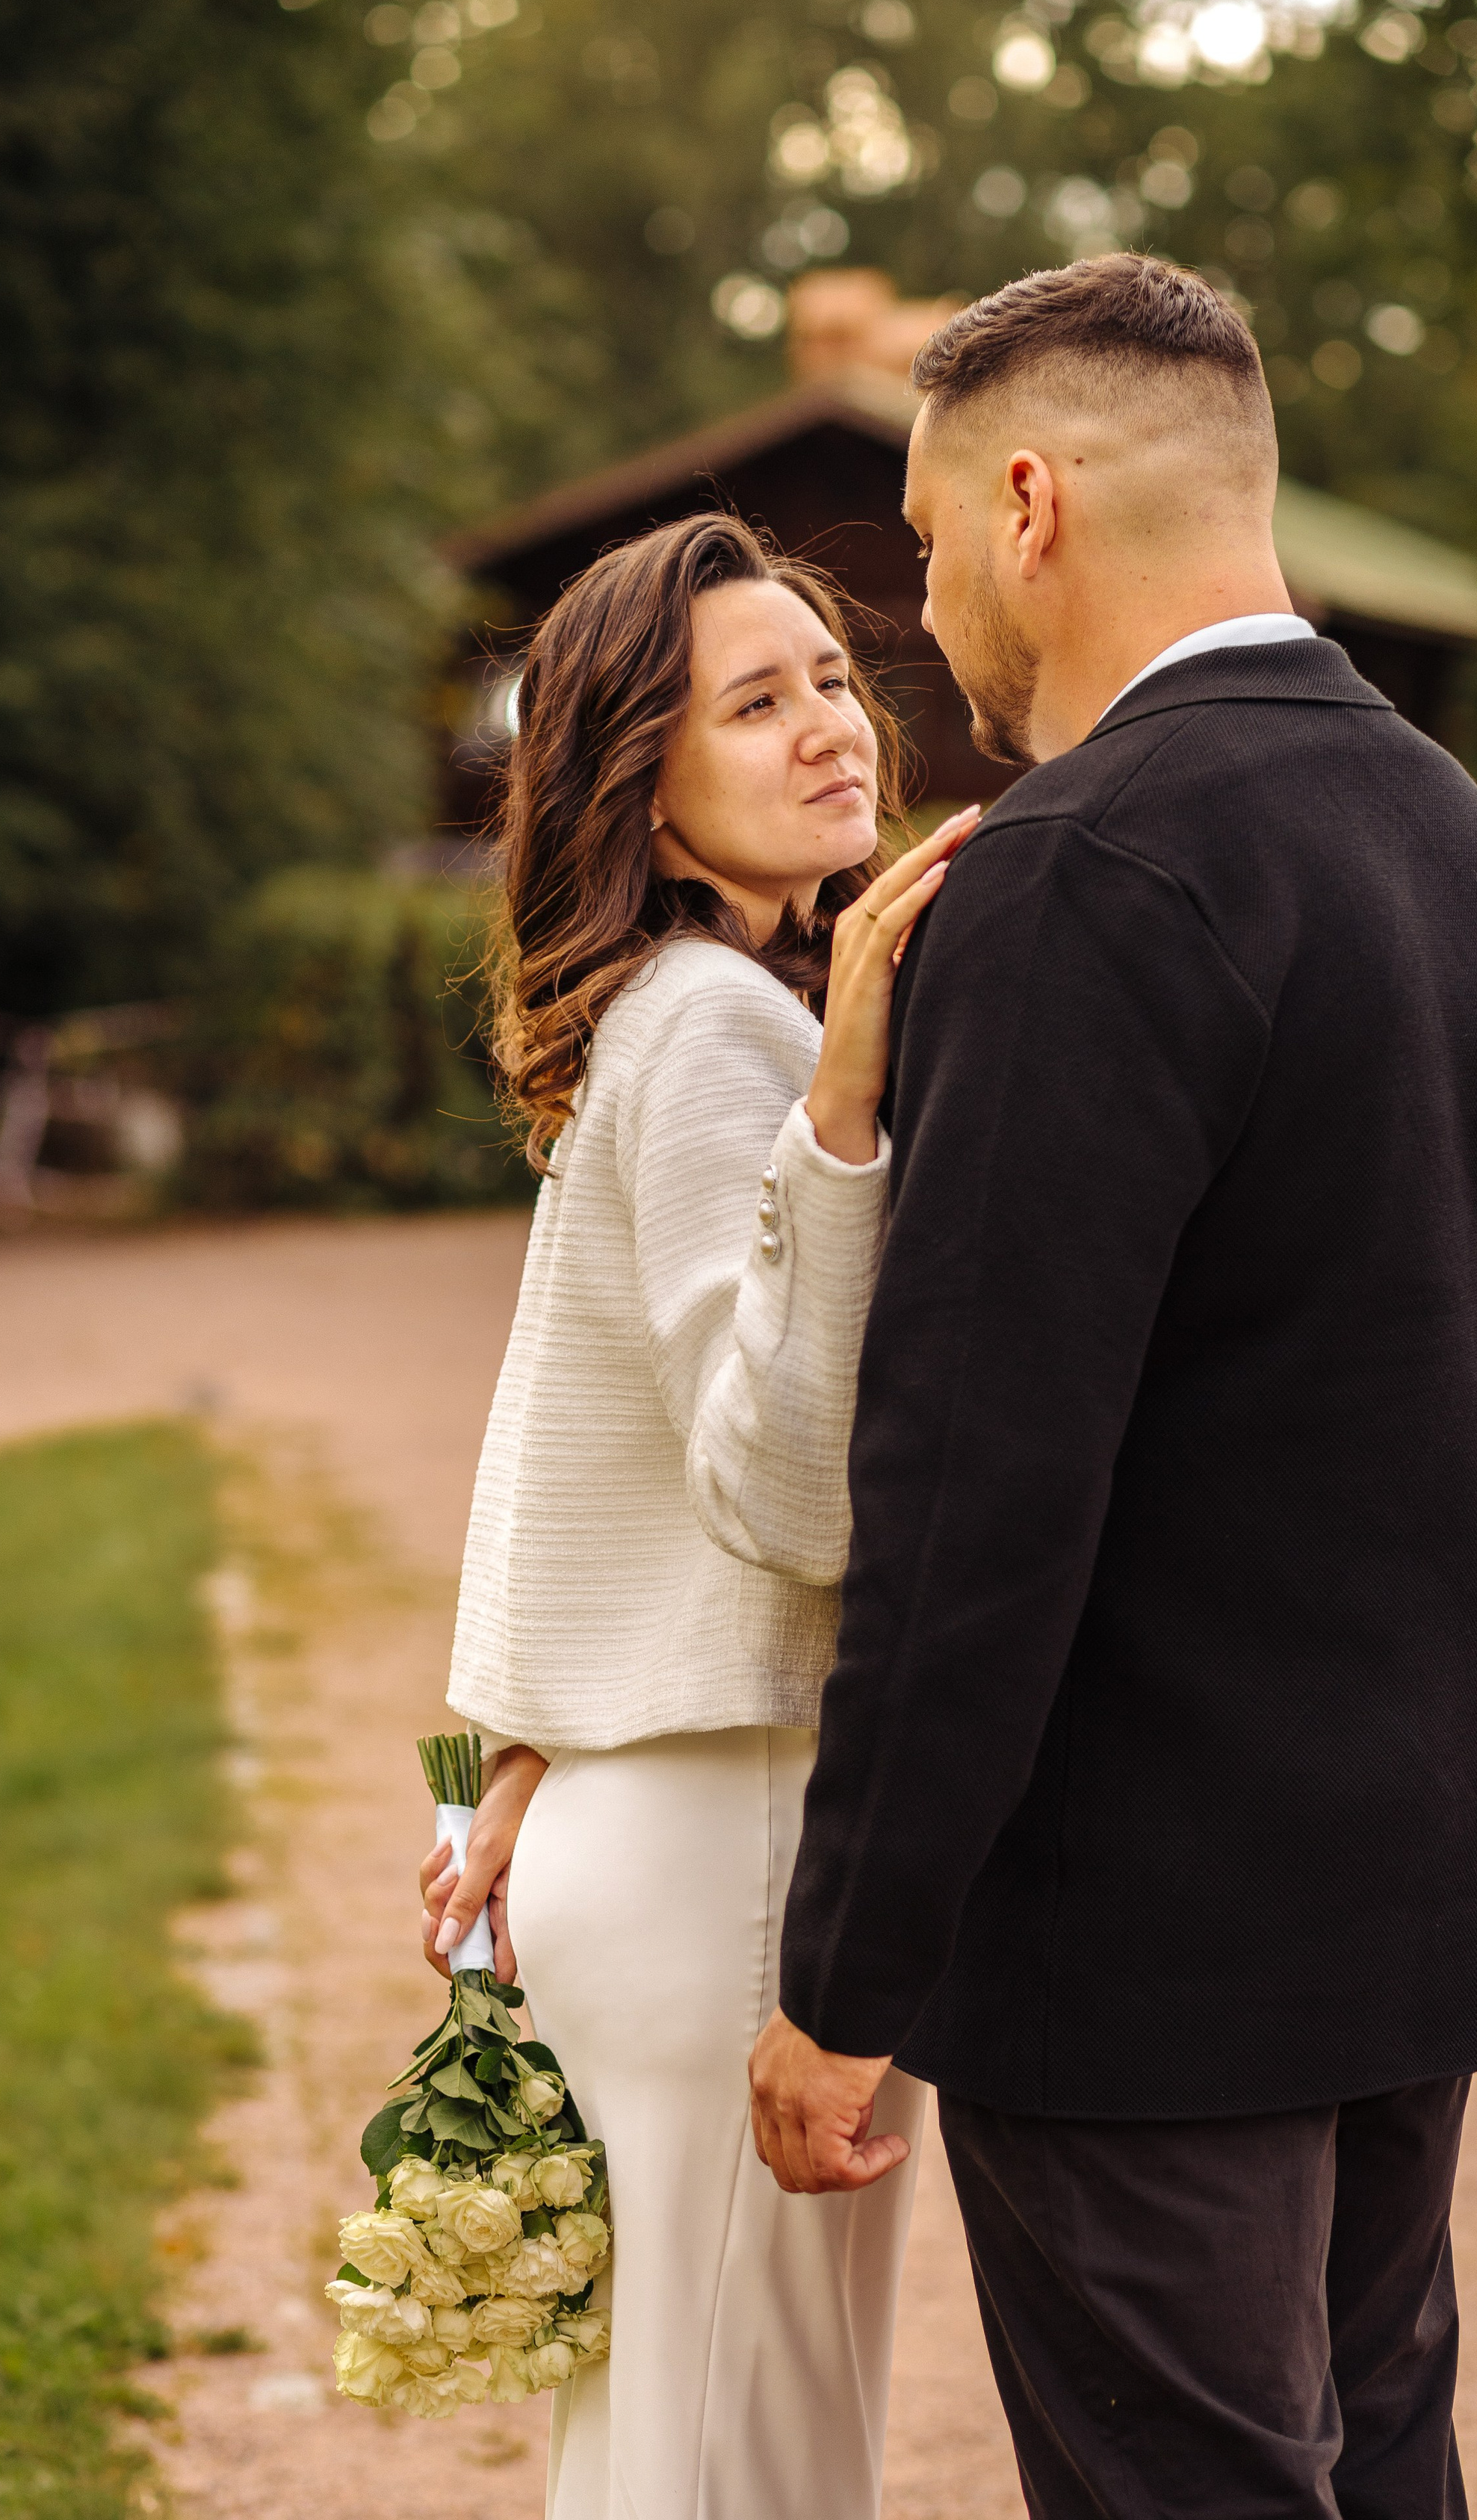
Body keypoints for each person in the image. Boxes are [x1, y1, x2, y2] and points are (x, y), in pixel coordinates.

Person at [749, 253, 1477, 2519]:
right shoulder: (1465, 850)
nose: (927, 605)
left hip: (1151, 1937)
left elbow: (974, 1493)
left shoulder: (1078, 875)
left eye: (929, 538)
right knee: (1380, 2473)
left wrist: (848, 1975)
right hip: (1419, 1880)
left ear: (1030, 504)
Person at [421, 511, 977, 2519]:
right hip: (732, 1833)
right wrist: (843, 1125)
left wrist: (524, 1752)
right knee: (746, 2460)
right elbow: (788, 1493)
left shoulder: (671, 1010)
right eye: (755, 703)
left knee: (677, 2441)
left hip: (655, 1820)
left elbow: (593, 1435)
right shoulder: (731, 1028)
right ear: (642, 797)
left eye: (831, 676)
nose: (832, 725)